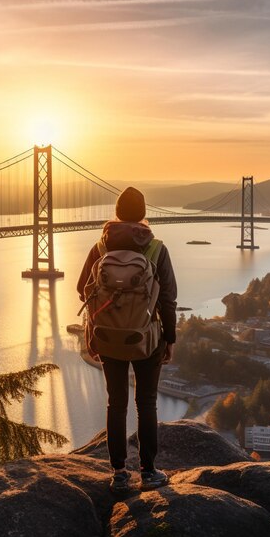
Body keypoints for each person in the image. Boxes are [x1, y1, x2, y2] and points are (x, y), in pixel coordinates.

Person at [77, 186, 177, 494]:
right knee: (146, 402)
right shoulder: (157, 249)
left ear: (117, 213)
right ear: (144, 214)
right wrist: (169, 338)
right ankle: (148, 472)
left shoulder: (99, 247)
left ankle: (119, 473)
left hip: (107, 338)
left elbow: (83, 289)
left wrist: (108, 314)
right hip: (147, 338)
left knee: (115, 402)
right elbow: (169, 300)